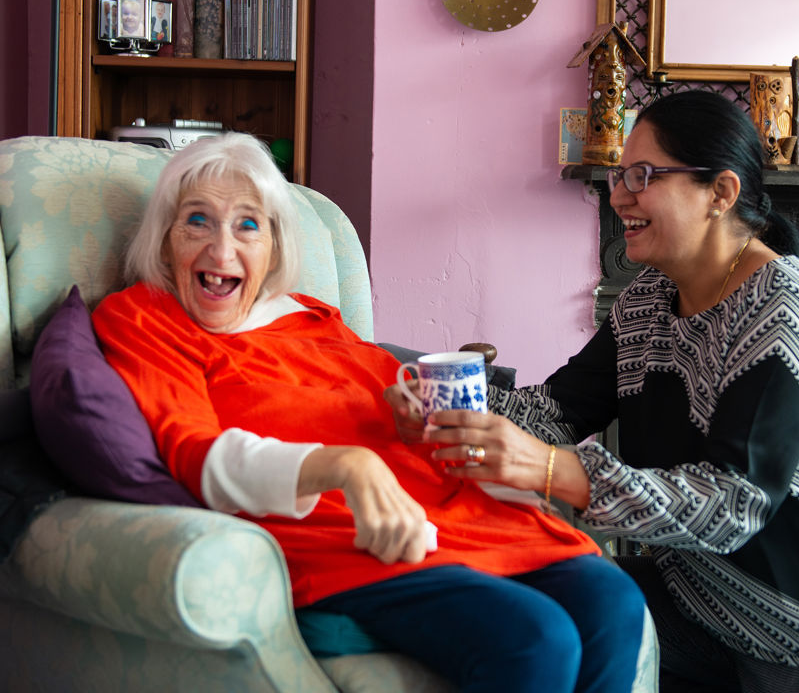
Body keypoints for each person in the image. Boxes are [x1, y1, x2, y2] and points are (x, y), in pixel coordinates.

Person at [388, 91, 799, 692]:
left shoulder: (786, 311)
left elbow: (733, 504)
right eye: (618, 174)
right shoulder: (648, 300)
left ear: (721, 193)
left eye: (643, 175)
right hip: (705, 603)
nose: (618, 195)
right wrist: (442, 408)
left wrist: (552, 470)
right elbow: (556, 410)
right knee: (525, 606)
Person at [90, 131, 647, 693]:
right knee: (538, 638)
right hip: (344, 538)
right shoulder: (145, 319)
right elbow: (194, 452)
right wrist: (344, 465)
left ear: (274, 248)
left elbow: (390, 397)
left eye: (247, 225)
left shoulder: (311, 316)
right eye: (197, 221)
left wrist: (411, 411)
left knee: (614, 600)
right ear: (164, 242)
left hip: (446, 513)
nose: (222, 250)